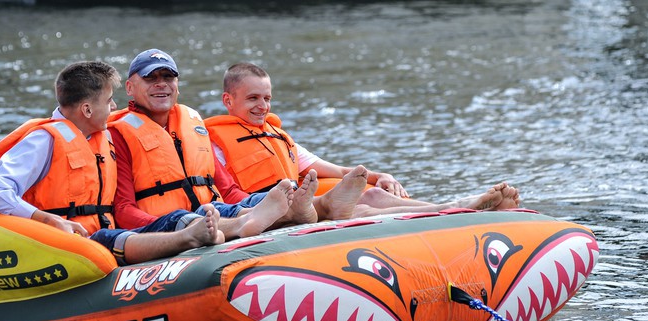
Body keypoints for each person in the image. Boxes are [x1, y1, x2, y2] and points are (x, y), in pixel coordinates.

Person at [0, 60, 223, 266]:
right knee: (108, 237)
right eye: (108, 101)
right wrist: (47, 219)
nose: (115, 107)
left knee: (172, 217)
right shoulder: (42, 141)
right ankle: (188, 238)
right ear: (86, 109)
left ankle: (223, 226)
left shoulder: (102, 139)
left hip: (102, 238)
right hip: (63, 245)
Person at [204, 62, 521, 218]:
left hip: (298, 199)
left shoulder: (276, 136)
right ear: (228, 100)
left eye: (267, 98)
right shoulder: (214, 143)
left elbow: (335, 170)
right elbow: (229, 194)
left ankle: (456, 207)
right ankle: (456, 209)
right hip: (267, 207)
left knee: (371, 193)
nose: (263, 106)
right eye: (253, 99)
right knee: (359, 209)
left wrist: (379, 176)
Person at [107, 49, 322, 237]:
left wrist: (258, 204)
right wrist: (164, 228)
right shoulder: (119, 135)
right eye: (150, 78)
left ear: (177, 85)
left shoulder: (192, 125)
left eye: (168, 77)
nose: (161, 83)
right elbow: (124, 209)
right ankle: (269, 217)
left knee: (257, 201)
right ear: (129, 88)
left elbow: (227, 190)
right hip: (171, 222)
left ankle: (322, 204)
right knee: (202, 217)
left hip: (214, 210)